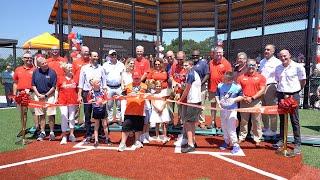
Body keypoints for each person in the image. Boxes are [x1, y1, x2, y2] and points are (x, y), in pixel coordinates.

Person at [273, 49, 306, 155]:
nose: (283, 58)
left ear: (290, 55)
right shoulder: (278, 68)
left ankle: (297, 144)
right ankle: (282, 140)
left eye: (285, 56)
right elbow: (278, 81)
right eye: (281, 56)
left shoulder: (298, 66)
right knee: (282, 119)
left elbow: (303, 81)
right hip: (281, 94)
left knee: (294, 120)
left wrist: (296, 91)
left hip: (293, 95)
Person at [78, 51, 107, 144]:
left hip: (100, 94)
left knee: (100, 115)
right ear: (90, 57)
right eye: (94, 56)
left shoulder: (101, 68)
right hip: (87, 93)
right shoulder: (84, 68)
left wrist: (104, 94)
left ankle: (100, 134)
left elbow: (104, 82)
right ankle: (88, 134)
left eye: (97, 56)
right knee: (87, 115)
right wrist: (79, 95)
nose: (96, 58)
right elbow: (81, 83)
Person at [237, 59, 266, 146]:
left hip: (256, 101)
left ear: (256, 66)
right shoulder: (241, 77)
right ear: (246, 66)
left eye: (253, 65)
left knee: (256, 121)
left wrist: (252, 98)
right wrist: (244, 97)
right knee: (244, 121)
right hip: (244, 101)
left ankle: (257, 138)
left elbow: (262, 90)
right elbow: (238, 90)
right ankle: (242, 137)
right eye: (249, 65)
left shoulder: (261, 77)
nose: (251, 67)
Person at [118, 71, 147, 152]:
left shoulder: (145, 86)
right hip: (129, 111)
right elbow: (122, 95)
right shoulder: (128, 86)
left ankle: (137, 141)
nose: (137, 79)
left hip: (140, 111)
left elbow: (150, 95)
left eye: (138, 78)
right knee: (126, 127)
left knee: (138, 127)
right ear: (132, 78)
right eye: (135, 78)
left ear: (140, 77)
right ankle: (123, 143)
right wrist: (127, 95)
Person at [216, 72, 244, 154]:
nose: (225, 80)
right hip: (223, 109)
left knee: (231, 127)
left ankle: (235, 144)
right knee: (224, 126)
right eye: (224, 79)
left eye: (227, 79)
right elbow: (217, 95)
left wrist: (234, 100)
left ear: (232, 80)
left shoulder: (237, 87)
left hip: (232, 110)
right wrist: (218, 103)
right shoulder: (220, 85)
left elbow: (241, 96)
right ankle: (226, 141)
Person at [13, 53, 38, 141]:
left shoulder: (35, 69)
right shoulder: (18, 69)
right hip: (21, 94)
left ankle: (37, 130)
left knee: (35, 112)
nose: (29, 59)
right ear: (23, 59)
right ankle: (23, 130)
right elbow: (15, 83)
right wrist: (14, 94)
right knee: (23, 113)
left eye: (30, 58)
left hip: (32, 93)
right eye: (26, 58)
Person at [259, 44, 282, 137]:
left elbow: (279, 76)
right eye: (265, 49)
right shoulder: (262, 61)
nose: (266, 51)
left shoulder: (277, 62)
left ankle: (273, 130)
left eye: (268, 50)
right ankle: (266, 127)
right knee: (263, 109)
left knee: (271, 109)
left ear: (273, 51)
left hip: (271, 86)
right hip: (261, 87)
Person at [179, 60, 202, 153]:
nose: (184, 67)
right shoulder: (192, 73)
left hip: (193, 101)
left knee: (188, 123)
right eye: (184, 65)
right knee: (191, 123)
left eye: (186, 65)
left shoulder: (191, 74)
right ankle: (192, 141)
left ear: (191, 65)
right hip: (195, 101)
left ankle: (190, 144)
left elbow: (187, 89)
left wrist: (180, 100)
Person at [32, 57, 57, 141]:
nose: (45, 64)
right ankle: (42, 132)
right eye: (43, 63)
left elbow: (54, 87)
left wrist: (46, 95)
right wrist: (38, 94)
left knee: (51, 114)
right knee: (41, 115)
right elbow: (33, 85)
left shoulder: (52, 72)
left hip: (49, 96)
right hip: (38, 96)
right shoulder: (35, 72)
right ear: (38, 65)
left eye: (46, 62)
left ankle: (51, 132)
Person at [208, 46, 232, 129]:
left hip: (223, 90)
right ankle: (213, 122)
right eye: (217, 52)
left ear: (223, 53)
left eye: (220, 52)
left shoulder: (226, 63)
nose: (218, 54)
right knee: (213, 106)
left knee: (224, 107)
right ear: (214, 53)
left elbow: (229, 77)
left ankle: (224, 125)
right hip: (212, 88)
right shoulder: (211, 62)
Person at [55, 63, 78, 145]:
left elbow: (78, 89)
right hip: (63, 101)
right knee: (64, 116)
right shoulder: (60, 78)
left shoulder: (75, 78)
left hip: (73, 101)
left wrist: (79, 97)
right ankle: (64, 136)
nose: (71, 68)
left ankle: (71, 134)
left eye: (71, 67)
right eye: (69, 67)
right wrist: (55, 99)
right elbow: (57, 89)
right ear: (65, 69)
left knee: (72, 117)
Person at [102, 49, 125, 124]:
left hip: (119, 87)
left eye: (115, 54)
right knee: (109, 104)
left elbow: (123, 76)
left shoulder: (121, 65)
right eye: (112, 55)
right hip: (109, 87)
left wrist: (123, 87)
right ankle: (110, 119)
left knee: (119, 104)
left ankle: (118, 119)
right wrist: (104, 87)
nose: (114, 56)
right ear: (109, 56)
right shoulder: (105, 65)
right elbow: (103, 77)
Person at [87, 78, 110, 147]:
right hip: (96, 110)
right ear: (93, 85)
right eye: (97, 83)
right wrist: (92, 101)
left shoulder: (103, 91)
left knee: (105, 125)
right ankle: (96, 140)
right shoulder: (91, 92)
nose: (99, 84)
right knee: (96, 125)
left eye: (99, 82)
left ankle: (107, 138)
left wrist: (102, 103)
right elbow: (88, 101)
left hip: (102, 110)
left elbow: (106, 100)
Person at [191, 50, 209, 129]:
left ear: (199, 56)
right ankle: (193, 121)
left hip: (201, 87)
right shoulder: (190, 64)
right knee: (192, 105)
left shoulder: (203, 63)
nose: (195, 57)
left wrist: (200, 83)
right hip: (192, 88)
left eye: (196, 56)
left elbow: (207, 74)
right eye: (193, 56)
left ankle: (202, 122)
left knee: (201, 105)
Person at [170, 51, 188, 127]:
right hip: (176, 90)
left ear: (184, 58)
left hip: (184, 91)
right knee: (174, 106)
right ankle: (173, 122)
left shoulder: (186, 66)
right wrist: (173, 81)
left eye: (181, 59)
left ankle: (181, 122)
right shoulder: (174, 65)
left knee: (183, 108)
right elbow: (171, 75)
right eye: (178, 59)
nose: (179, 61)